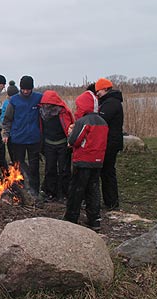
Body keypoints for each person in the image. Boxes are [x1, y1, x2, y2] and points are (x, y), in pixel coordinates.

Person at [64, 90, 108, 230]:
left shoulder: (83, 122)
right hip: (98, 161)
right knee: (93, 190)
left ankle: (71, 217)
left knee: (77, 189)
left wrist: (71, 133)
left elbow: (74, 141)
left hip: (83, 160)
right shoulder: (103, 122)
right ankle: (94, 219)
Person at [2, 75, 43, 197]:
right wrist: (6, 133)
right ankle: (22, 189)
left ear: (32, 88)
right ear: (20, 88)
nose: (26, 91)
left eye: (28, 89)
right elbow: (7, 119)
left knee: (34, 166)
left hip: (34, 139)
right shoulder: (13, 101)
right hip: (18, 138)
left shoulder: (39, 98)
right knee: (18, 165)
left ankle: (35, 190)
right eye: (24, 89)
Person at [39, 90, 74, 202]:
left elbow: (70, 128)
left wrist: (70, 142)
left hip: (63, 144)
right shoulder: (42, 112)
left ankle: (65, 193)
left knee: (64, 170)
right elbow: (41, 128)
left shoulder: (63, 112)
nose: (47, 106)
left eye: (49, 104)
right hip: (49, 144)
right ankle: (50, 192)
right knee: (50, 169)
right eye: (45, 104)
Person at [96, 77, 124, 210]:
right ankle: (110, 201)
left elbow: (101, 119)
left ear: (105, 89)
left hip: (110, 142)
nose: (97, 93)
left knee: (107, 172)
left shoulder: (111, 103)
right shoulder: (111, 101)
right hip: (111, 141)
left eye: (99, 90)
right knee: (106, 172)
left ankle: (111, 202)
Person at [1, 80, 19, 163]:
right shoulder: (6, 103)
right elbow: (3, 117)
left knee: (16, 149)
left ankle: (16, 162)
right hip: (10, 130)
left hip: (17, 130)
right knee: (11, 148)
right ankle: (14, 161)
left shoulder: (17, 102)